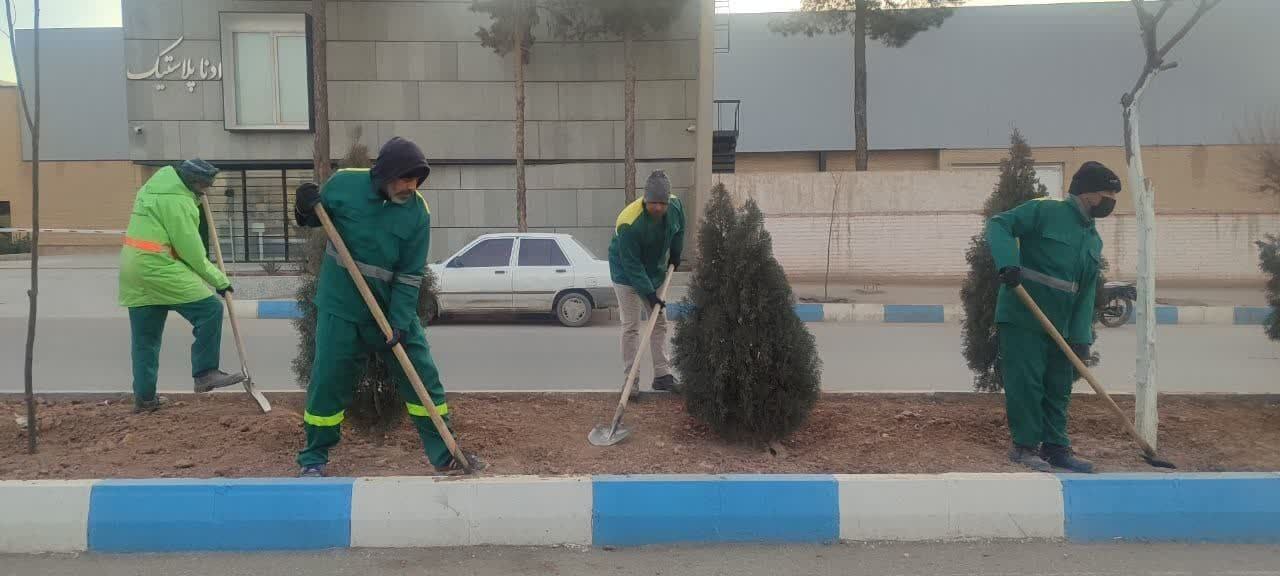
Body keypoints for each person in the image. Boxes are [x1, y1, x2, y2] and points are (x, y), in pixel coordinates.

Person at [292, 137, 479, 477]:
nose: (410, 185)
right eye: (404, 178)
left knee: (423, 378)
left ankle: (446, 453)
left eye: (416, 180)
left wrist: (399, 323)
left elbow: (410, 275)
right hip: (342, 306)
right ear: (384, 174)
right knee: (328, 381)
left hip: (391, 311)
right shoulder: (345, 184)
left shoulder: (417, 212)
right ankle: (313, 459)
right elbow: (313, 219)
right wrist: (303, 206)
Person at [987, 161, 1122, 473]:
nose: (1110, 203)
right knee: (1027, 383)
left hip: (1061, 326)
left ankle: (1056, 447)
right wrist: (1008, 263)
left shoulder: (1092, 238)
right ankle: (1024, 447)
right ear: (1089, 194)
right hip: (1024, 315)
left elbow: (1085, 293)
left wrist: (1080, 338)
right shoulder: (1045, 210)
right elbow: (999, 224)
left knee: (1059, 386)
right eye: (1107, 195)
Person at [118, 159, 244, 413]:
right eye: (204, 186)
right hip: (160, 268)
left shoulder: (153, 187)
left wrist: (195, 200)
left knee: (145, 340)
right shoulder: (178, 202)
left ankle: (144, 400)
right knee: (210, 310)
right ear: (193, 183)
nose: (206, 191)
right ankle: (205, 372)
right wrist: (220, 281)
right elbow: (192, 252)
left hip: (133, 269)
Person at [608, 170, 686, 396]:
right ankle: (630, 381)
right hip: (625, 274)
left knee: (659, 323)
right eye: (654, 203)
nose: (659, 208)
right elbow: (631, 265)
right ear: (645, 199)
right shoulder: (629, 222)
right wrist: (650, 295)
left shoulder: (676, 206)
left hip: (656, 271)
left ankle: (662, 376)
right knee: (631, 327)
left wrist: (676, 255)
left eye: (662, 203)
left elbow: (679, 231)